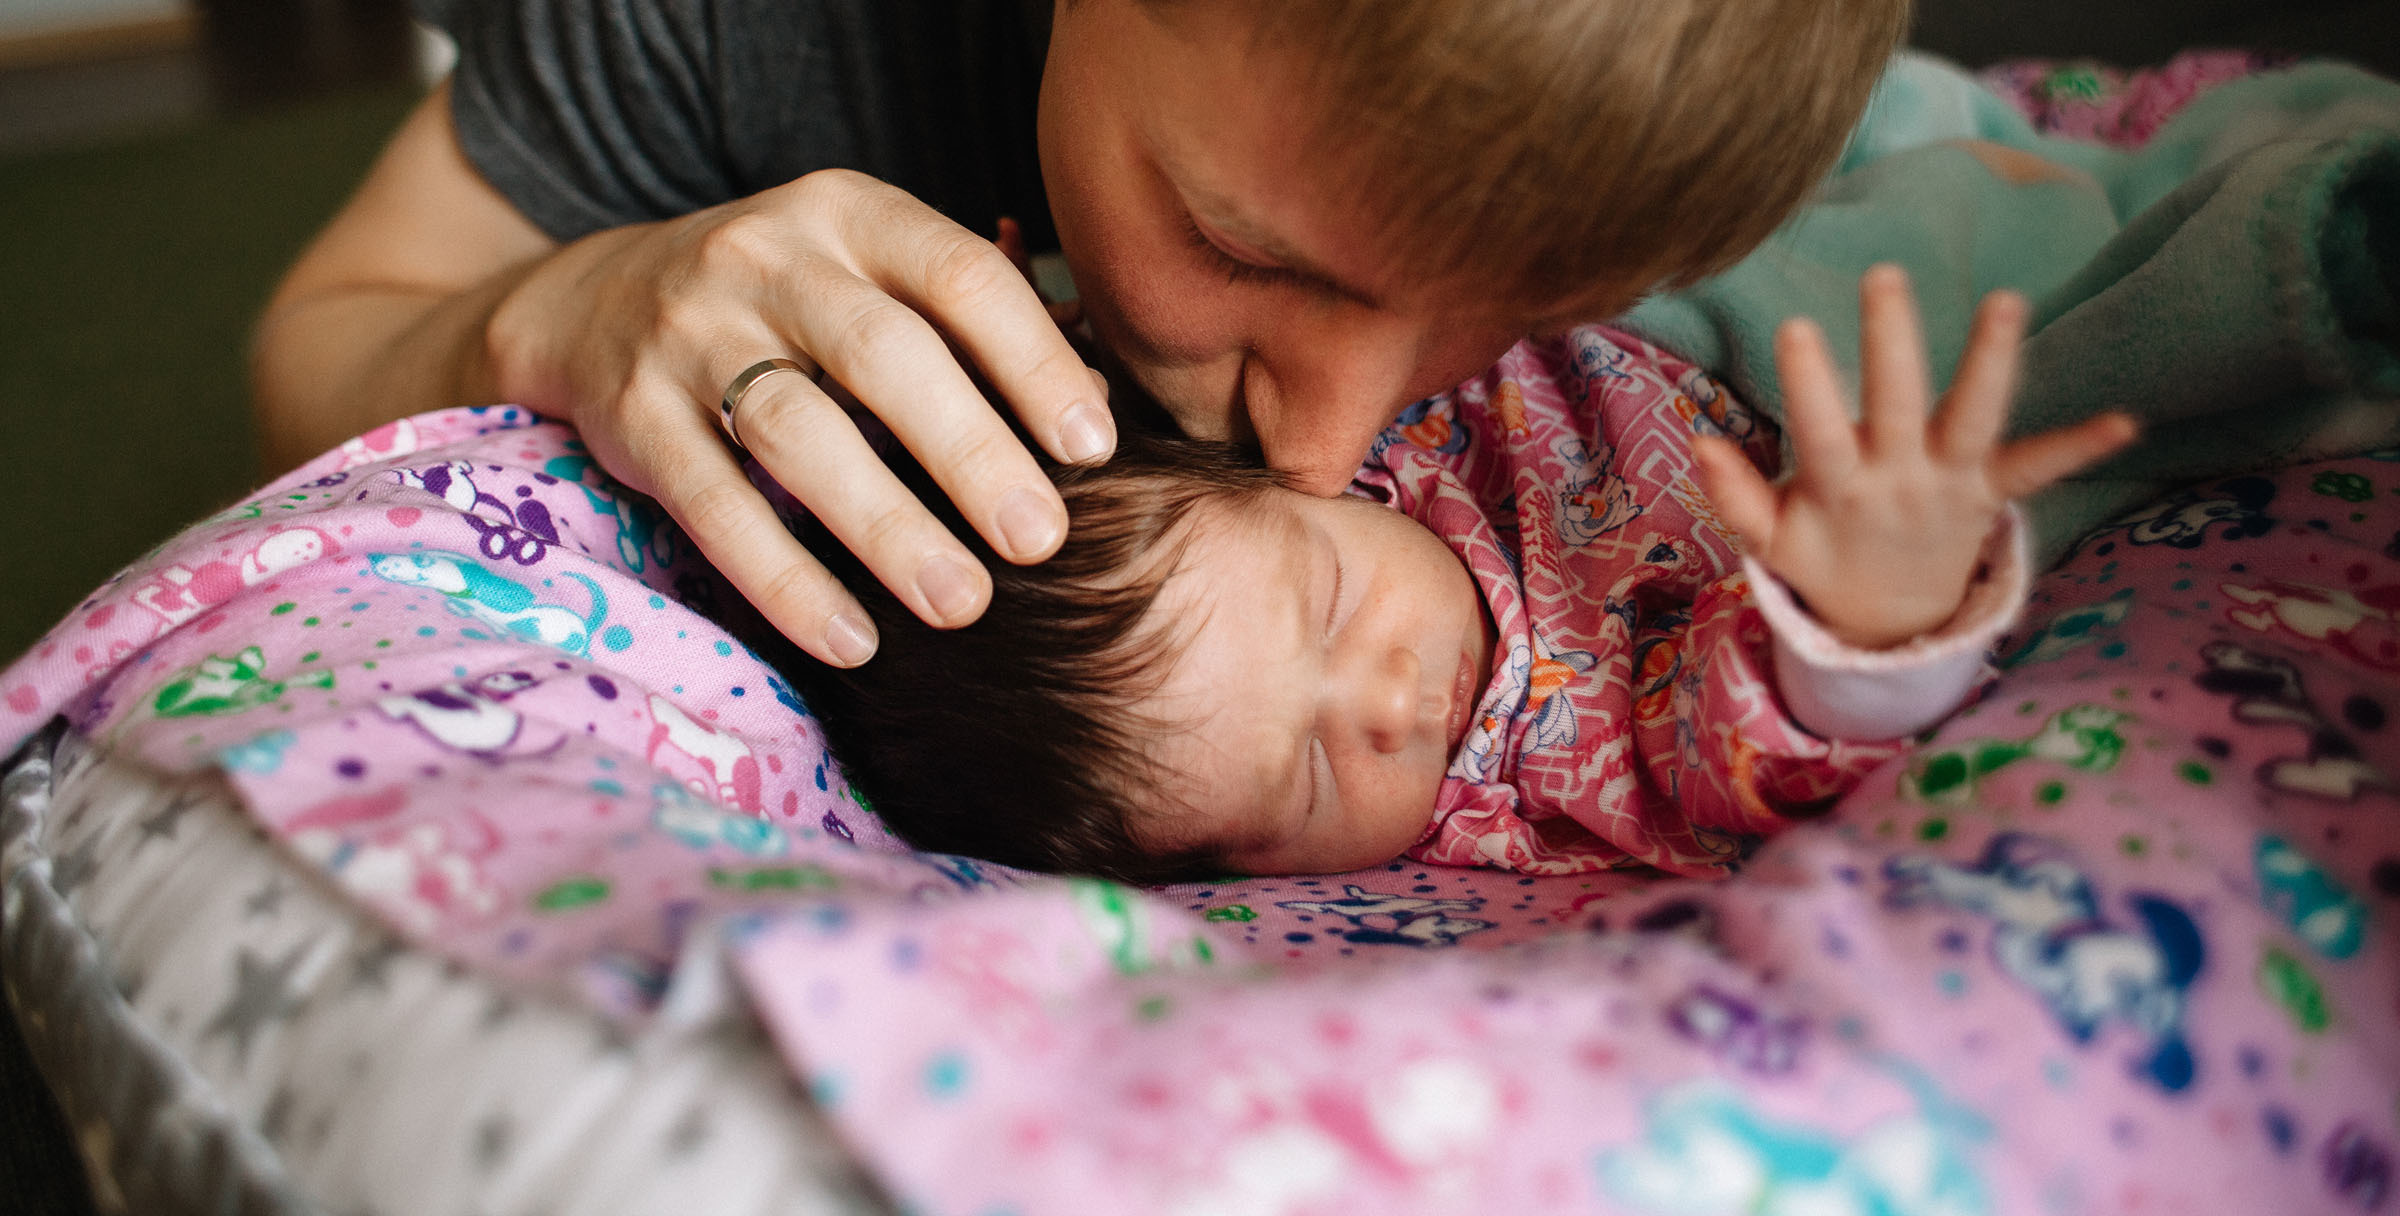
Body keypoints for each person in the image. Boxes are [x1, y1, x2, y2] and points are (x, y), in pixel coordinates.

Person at [250, 0, 1960, 676]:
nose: (1327, 451)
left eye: (1515, 314)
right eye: (1251, 253)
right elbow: (318, 342)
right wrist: (567, 303)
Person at [787, 271, 2139, 881]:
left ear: (1267, 477)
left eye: (1325, 604)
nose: (1382, 699)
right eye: (1309, 776)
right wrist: (1858, 623)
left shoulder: (1333, 422)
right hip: (1830, 516)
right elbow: (1728, 759)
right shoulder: (1544, 765)